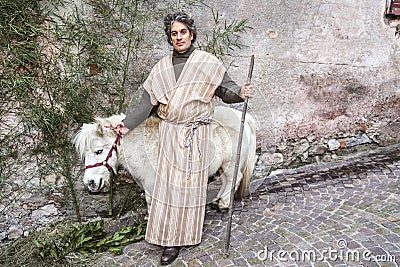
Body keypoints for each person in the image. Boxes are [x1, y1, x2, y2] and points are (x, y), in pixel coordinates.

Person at [115, 11, 254, 265]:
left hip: (196, 133)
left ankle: (181, 237)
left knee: (189, 188)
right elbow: (146, 104)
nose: (178, 37)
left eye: (183, 32)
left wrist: (241, 92)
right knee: (167, 189)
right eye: (173, 34)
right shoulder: (161, 68)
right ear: (170, 38)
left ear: (191, 34)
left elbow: (226, 90)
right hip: (170, 133)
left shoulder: (208, 63)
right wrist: (126, 125)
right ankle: (167, 238)